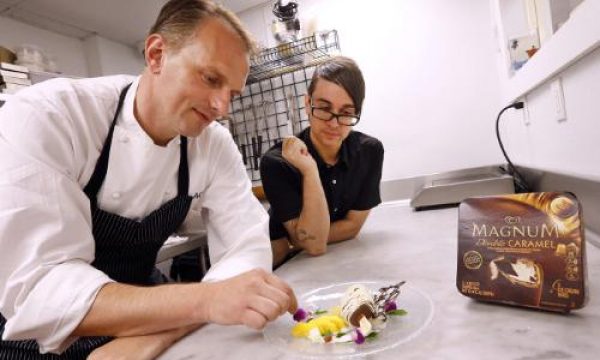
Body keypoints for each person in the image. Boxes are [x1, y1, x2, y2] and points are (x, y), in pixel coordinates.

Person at [0, 0, 297, 358]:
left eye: (232, 93)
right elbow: (43, 290)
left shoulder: (212, 144)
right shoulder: (49, 116)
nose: (222, 107)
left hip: (149, 322)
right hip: (33, 342)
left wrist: (157, 333)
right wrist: (205, 301)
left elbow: (246, 247)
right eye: (211, 78)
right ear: (156, 55)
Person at [260, 56, 384, 268]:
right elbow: (314, 246)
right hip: (282, 264)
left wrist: (299, 240)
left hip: (333, 259)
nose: (334, 123)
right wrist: (309, 170)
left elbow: (352, 227)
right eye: (325, 108)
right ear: (308, 104)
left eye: (346, 113)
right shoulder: (277, 162)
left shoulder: (369, 152)